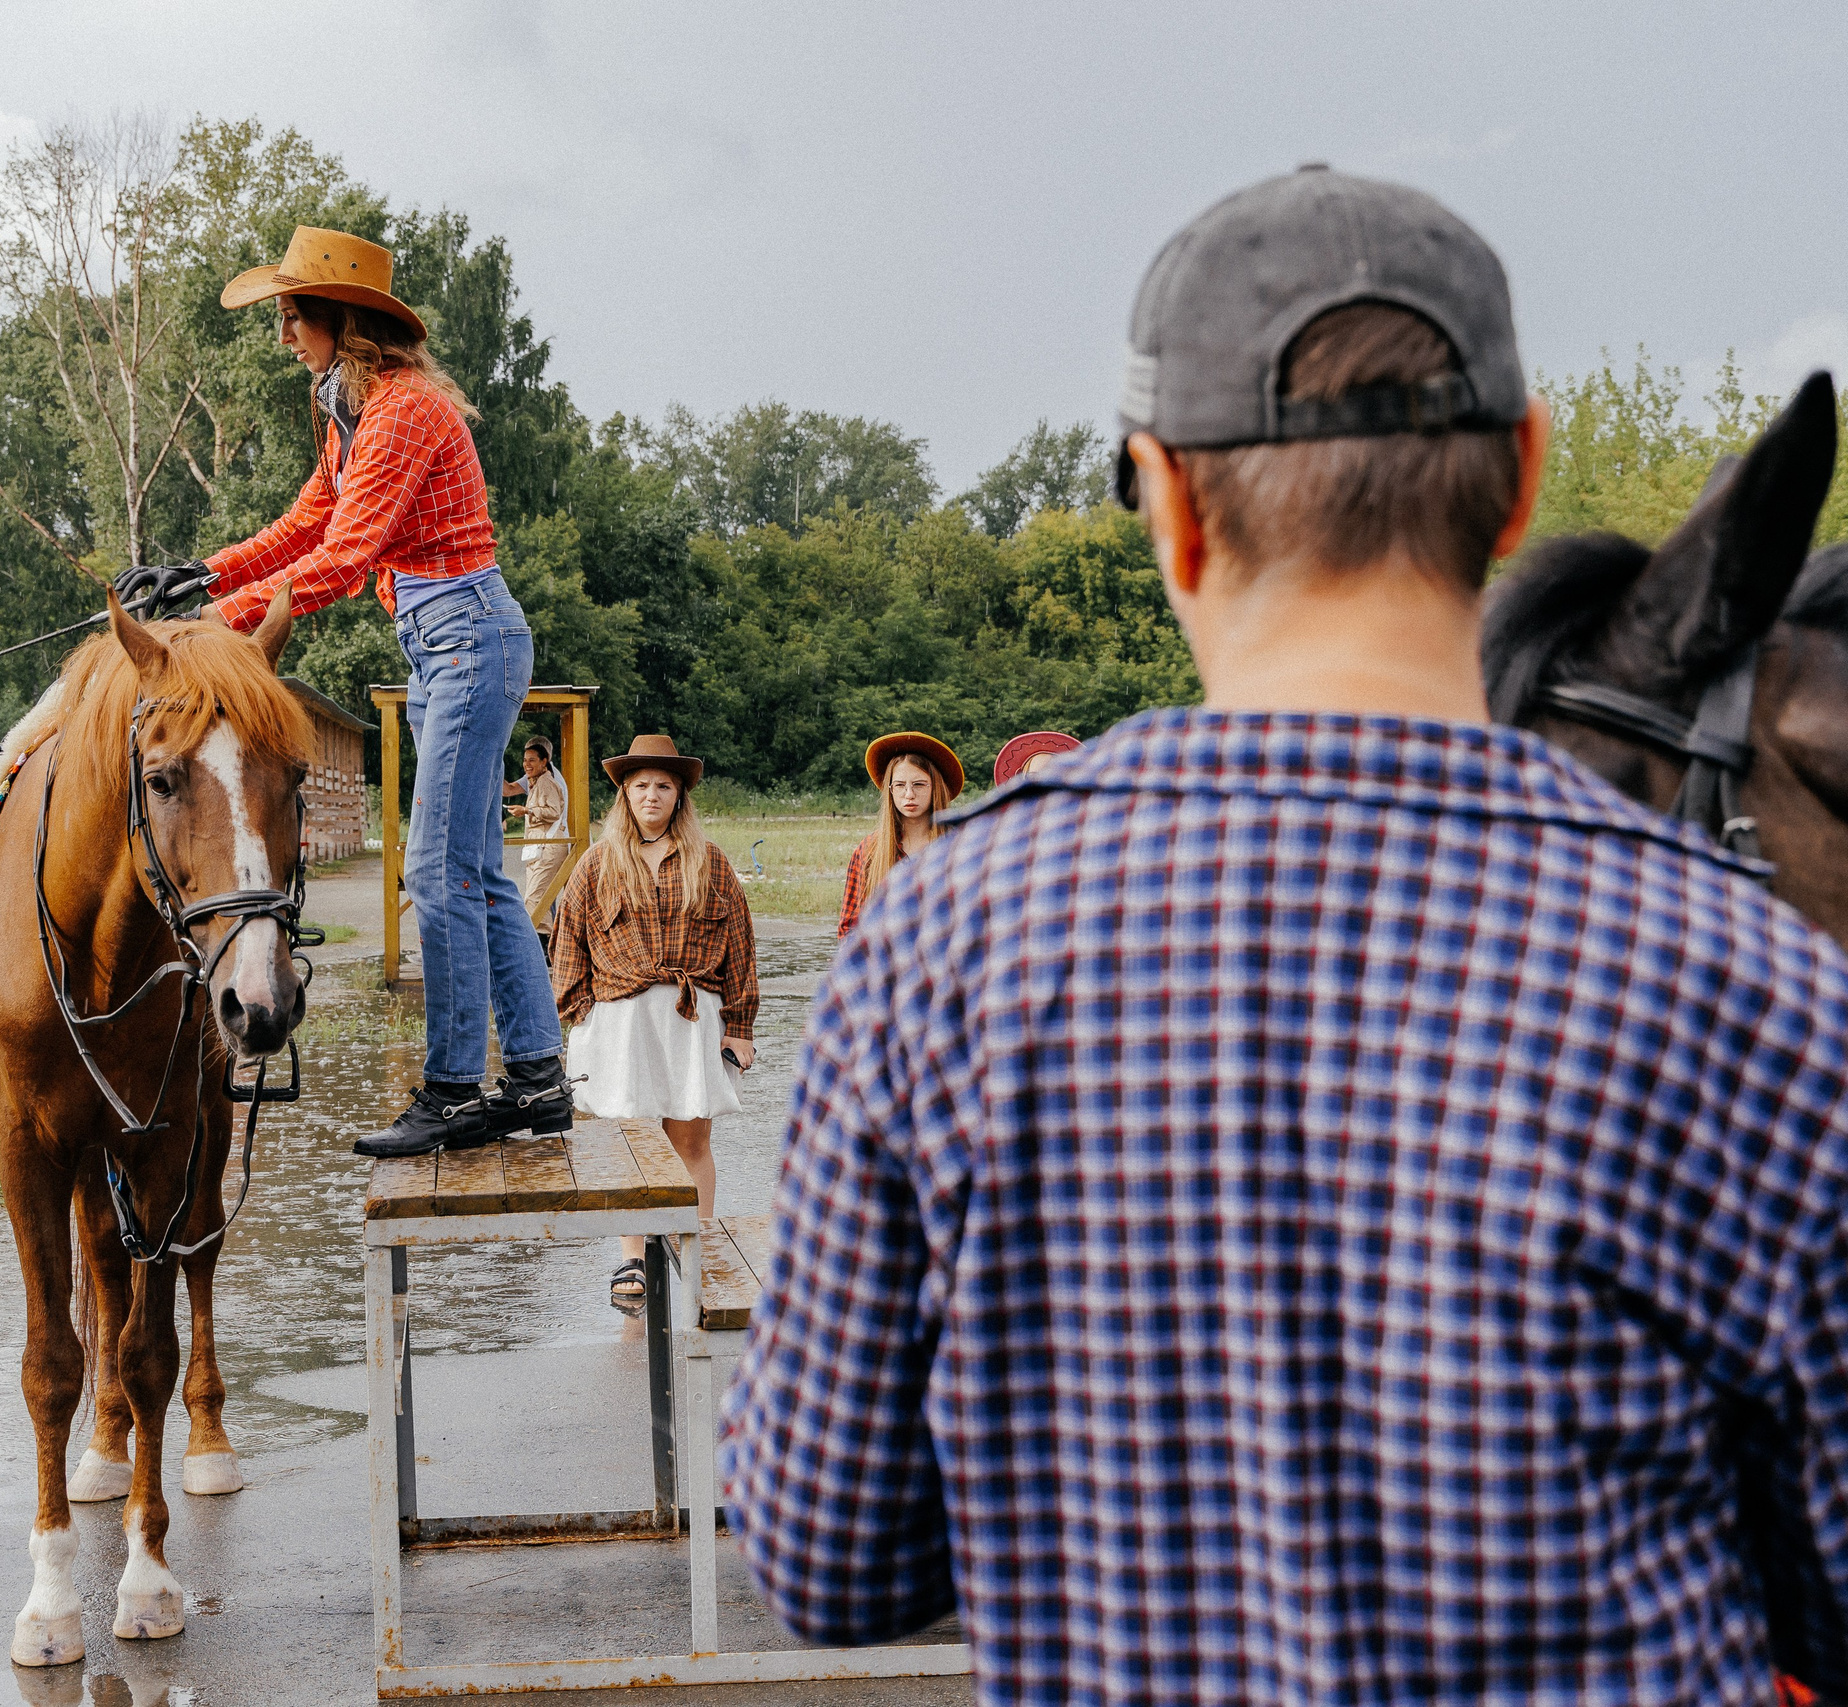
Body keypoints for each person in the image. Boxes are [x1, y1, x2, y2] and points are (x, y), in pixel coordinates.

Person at [726, 165, 1848, 1705]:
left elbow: (829, 1557)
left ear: (1169, 503)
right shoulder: (1760, 981)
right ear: (1521, 479)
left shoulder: (937, 946)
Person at [133, 227, 566, 1158]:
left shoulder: (403, 413)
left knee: (436, 873)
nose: (284, 332)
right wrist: (201, 575)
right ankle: (537, 1076)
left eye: (292, 314)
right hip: (450, 640)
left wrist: (215, 629)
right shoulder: (352, 410)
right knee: (482, 873)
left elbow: (343, 557)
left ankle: (452, 1089)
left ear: (342, 320)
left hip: (466, 637)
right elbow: (308, 521)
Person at [548, 735, 758, 1300]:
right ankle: (633, 1261)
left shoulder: (710, 860)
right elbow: (568, 941)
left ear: (680, 796)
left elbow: (739, 942)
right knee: (633, 1141)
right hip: (623, 1023)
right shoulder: (597, 863)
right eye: (641, 785)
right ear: (624, 794)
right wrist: (581, 1014)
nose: (652, 794)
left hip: (692, 1018)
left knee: (690, 1136)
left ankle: (699, 1248)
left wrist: (739, 1026)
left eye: (663, 786)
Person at [836, 731, 963, 939]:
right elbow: (850, 928)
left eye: (919, 784)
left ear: (936, 787)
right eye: (900, 785)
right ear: (890, 790)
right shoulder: (869, 850)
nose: (909, 794)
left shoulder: (960, 844)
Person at [504, 735, 570, 928]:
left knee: (535, 900)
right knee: (542, 900)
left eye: (532, 759)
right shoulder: (537, 777)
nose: (526, 764)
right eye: (525, 759)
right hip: (541, 845)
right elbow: (507, 790)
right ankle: (550, 946)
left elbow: (553, 812)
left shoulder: (547, 781)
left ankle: (544, 946)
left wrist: (526, 810)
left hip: (549, 844)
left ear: (545, 760)